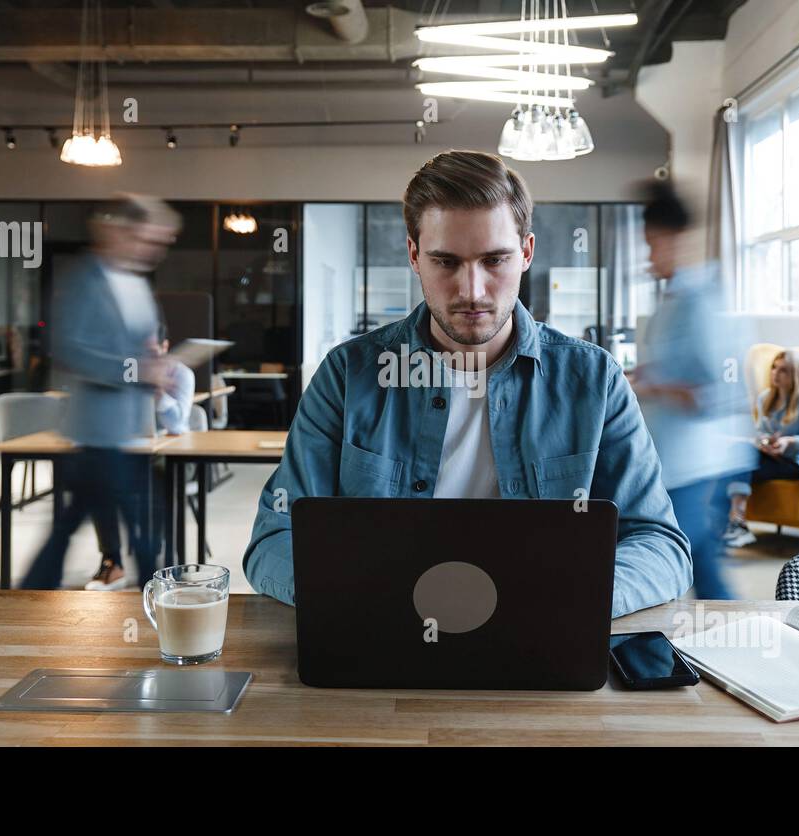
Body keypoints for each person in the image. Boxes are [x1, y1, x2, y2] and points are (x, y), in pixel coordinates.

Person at [243, 149, 691, 618]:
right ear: (415, 256)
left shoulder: (595, 381)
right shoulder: (347, 375)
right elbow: (275, 536)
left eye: (494, 260)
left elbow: (659, 543)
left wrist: (569, 599)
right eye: (446, 262)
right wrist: (364, 595)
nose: (472, 291)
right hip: (384, 634)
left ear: (526, 253)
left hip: (541, 639)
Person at [23, 193, 180, 591]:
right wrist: (135, 370)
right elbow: (69, 348)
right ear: (119, 231)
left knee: (81, 523)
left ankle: (33, 591)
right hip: (98, 432)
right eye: (149, 238)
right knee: (142, 527)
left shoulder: (136, 283)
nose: (155, 249)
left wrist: (153, 363)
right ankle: (157, 601)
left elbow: (134, 344)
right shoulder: (84, 278)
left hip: (132, 431)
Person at [629, 180, 753, 600]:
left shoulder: (701, 302)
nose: (649, 256)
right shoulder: (674, 298)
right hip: (676, 464)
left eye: (652, 245)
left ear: (674, 239)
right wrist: (648, 376)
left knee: (676, 562)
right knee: (694, 563)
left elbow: (724, 391)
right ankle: (724, 651)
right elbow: (679, 370)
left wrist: (656, 386)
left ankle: (730, 653)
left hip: (702, 465)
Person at [85, 321, 194, 590]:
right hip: (131, 452)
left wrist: (157, 393)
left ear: (165, 347)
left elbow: (178, 426)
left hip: (172, 454)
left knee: (156, 477)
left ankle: (157, 563)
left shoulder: (180, 374)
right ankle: (113, 561)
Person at [722, 348, 799, 548]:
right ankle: (735, 523)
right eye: (774, 368)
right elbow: (761, 432)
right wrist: (764, 443)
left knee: (741, 466)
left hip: (795, 463)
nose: (775, 373)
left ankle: (735, 523)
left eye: (783, 370)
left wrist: (790, 442)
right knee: (738, 454)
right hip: (772, 458)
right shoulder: (765, 398)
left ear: (795, 374)